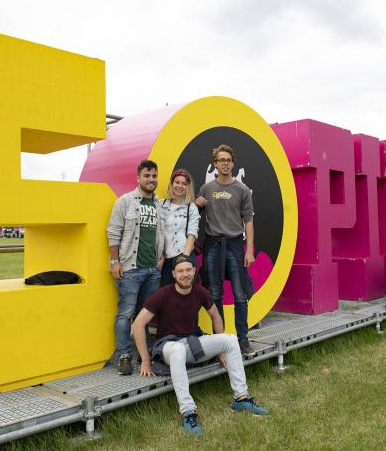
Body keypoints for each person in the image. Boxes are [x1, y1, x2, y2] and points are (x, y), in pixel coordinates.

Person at [132, 254, 270, 436]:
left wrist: (221, 351)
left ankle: (241, 399)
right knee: (178, 349)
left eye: (188, 270)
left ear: (194, 271)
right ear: (173, 274)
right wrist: (145, 360)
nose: (185, 274)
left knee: (229, 340)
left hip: (192, 344)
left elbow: (216, 316)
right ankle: (188, 412)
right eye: (180, 271)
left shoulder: (199, 292)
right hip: (168, 347)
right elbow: (138, 324)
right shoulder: (163, 294)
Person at [195, 145, 257, 357]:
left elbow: (248, 221)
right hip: (213, 245)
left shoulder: (242, 190)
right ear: (215, 163)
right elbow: (194, 216)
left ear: (233, 163)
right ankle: (219, 341)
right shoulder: (205, 189)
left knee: (240, 294)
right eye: (221, 160)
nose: (225, 163)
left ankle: (243, 339)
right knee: (215, 294)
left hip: (235, 245)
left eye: (228, 160)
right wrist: (196, 205)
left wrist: (249, 249)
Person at [107, 159, 165, 376]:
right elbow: (113, 232)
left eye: (154, 176)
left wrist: (161, 258)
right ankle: (124, 355)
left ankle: (144, 354)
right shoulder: (125, 202)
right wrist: (115, 261)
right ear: (138, 178)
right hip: (130, 269)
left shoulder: (159, 205)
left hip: (152, 270)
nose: (151, 180)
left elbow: (161, 235)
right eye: (147, 176)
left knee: (145, 315)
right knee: (125, 313)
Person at [159, 169, 200, 287]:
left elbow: (192, 234)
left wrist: (184, 260)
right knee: (168, 295)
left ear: (188, 187)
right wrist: (161, 255)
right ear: (171, 184)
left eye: (184, 183)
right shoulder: (160, 205)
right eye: (177, 182)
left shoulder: (191, 207)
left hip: (184, 254)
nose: (180, 186)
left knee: (187, 294)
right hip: (166, 259)